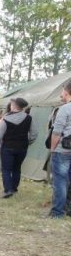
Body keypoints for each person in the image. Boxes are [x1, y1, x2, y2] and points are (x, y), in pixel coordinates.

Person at [0, 97, 37, 198]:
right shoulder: (28, 118)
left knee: (6, 169)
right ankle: (14, 188)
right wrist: (28, 142)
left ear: (14, 106)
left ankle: (8, 190)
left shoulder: (6, 119)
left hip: (8, 147)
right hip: (22, 148)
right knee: (17, 169)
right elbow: (34, 134)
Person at [48, 79, 71, 218]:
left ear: (67, 92)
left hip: (63, 149)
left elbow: (57, 132)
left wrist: (52, 148)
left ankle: (57, 212)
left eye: (62, 90)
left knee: (60, 181)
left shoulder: (65, 109)